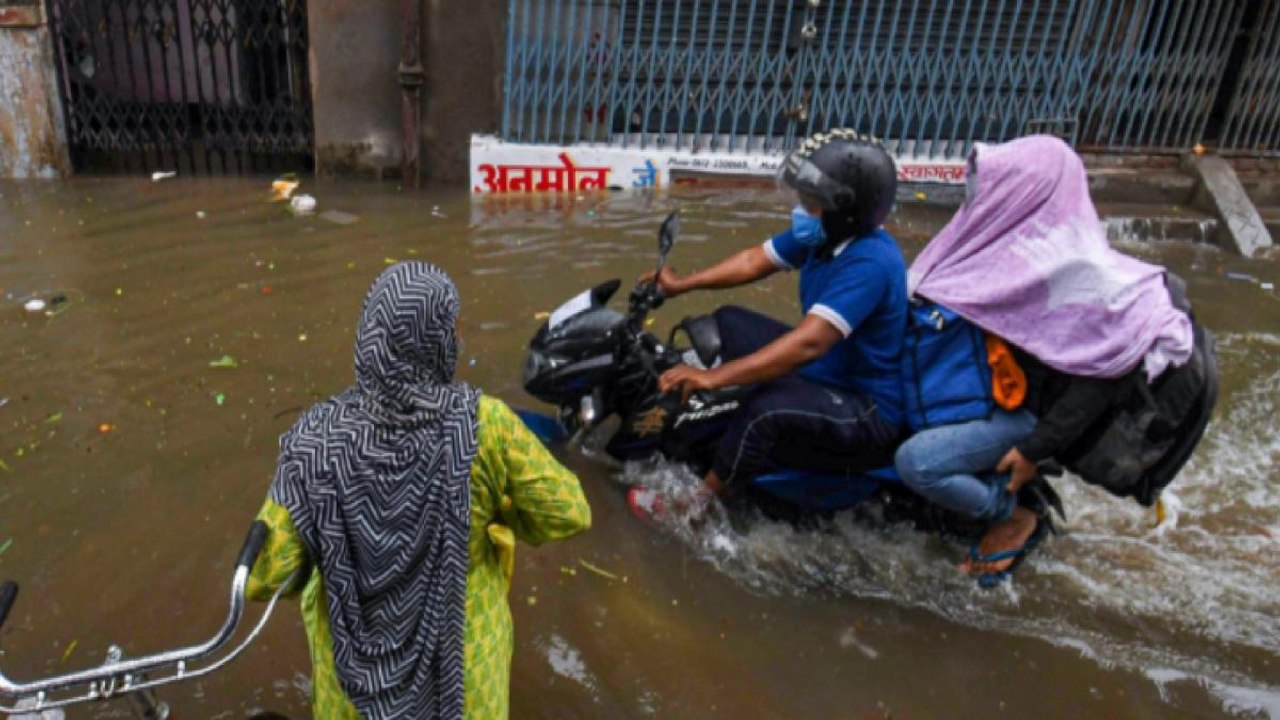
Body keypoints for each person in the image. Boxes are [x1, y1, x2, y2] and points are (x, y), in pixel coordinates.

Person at [246, 262, 592, 720]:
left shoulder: (316, 438)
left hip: (351, 691)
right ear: (436, 341)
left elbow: (264, 577)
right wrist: (499, 513)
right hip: (464, 680)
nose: (457, 337)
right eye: (452, 327)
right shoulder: (483, 425)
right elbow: (569, 512)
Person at [894, 135, 1194, 584]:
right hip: (984, 391)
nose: (981, 196)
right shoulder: (1003, 246)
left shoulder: (1089, 280)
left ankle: (1012, 515)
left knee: (918, 461)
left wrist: (1034, 450)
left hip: (1030, 419)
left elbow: (1100, 378)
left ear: (1034, 191)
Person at [628, 129, 906, 518]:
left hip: (866, 406)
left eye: (811, 204)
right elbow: (753, 261)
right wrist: (679, 285)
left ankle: (697, 507)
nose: (801, 210)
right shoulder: (823, 236)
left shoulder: (871, 262)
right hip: (833, 369)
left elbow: (808, 344)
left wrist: (715, 377)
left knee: (765, 411)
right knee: (729, 321)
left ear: (844, 212)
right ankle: (698, 417)